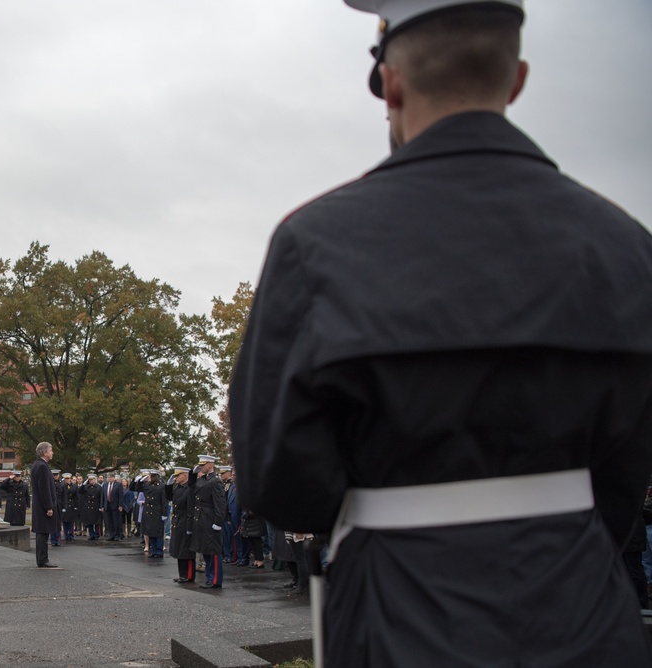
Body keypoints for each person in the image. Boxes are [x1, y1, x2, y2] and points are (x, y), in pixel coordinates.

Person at [229, 1, 652, 665]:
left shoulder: (317, 245)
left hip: (399, 608)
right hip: (582, 602)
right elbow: (629, 465)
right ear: (515, 79)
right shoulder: (626, 247)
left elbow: (278, 479)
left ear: (392, 85)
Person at [191, 455, 226, 588]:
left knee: (213, 551)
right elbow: (193, 487)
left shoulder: (215, 481)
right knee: (205, 549)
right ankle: (209, 578)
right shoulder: (204, 479)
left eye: (203, 464)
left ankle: (216, 579)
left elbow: (220, 503)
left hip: (210, 518)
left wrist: (218, 522)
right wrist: (194, 473)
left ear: (210, 465)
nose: (200, 467)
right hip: (202, 518)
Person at [30, 442, 58, 568]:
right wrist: (49, 507)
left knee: (42, 533)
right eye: (51, 450)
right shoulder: (41, 466)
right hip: (43, 507)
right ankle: (43, 559)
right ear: (45, 452)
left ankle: (42, 558)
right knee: (43, 532)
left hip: (40, 506)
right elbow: (44, 489)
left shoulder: (38, 465)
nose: (52, 453)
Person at [166, 466, 196, 583]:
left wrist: (189, 527)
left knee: (186, 551)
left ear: (185, 475)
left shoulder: (189, 488)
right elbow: (169, 497)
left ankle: (188, 575)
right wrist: (168, 485)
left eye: (178, 476)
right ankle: (182, 574)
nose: (176, 478)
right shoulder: (178, 488)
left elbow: (190, 509)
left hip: (185, 521)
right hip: (177, 520)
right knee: (179, 549)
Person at [137, 470, 166, 557]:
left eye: (154, 476)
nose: (153, 478)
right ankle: (153, 551)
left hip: (157, 510)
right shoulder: (147, 485)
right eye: (151, 476)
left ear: (157, 477)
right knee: (150, 532)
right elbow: (137, 488)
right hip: (148, 510)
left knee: (158, 533)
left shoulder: (162, 486)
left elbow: (164, 500)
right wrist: (140, 480)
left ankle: (159, 551)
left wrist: (164, 513)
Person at [78, 473, 103, 539]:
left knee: (97, 522)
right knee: (89, 522)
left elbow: (101, 497)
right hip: (88, 506)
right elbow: (80, 491)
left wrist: (101, 506)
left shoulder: (99, 487)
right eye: (89, 480)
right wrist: (83, 484)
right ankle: (91, 534)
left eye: (92, 480)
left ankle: (97, 534)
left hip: (96, 506)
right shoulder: (86, 487)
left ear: (95, 480)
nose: (90, 481)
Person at [102, 472, 124, 540]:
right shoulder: (105, 485)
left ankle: (117, 535)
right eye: (109, 477)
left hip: (115, 505)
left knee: (116, 521)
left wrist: (120, 505)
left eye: (111, 477)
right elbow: (103, 496)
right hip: (107, 505)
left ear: (114, 478)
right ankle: (111, 535)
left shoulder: (118, 485)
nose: (110, 478)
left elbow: (121, 496)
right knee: (109, 521)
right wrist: (102, 506)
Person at [60, 472, 77, 541]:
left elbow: (76, 496)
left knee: (71, 521)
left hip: (72, 505)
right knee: (65, 521)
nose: (67, 480)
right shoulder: (62, 486)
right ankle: (66, 534)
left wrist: (76, 505)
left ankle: (71, 534)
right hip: (65, 505)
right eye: (66, 479)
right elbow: (62, 496)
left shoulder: (74, 486)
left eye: (68, 479)